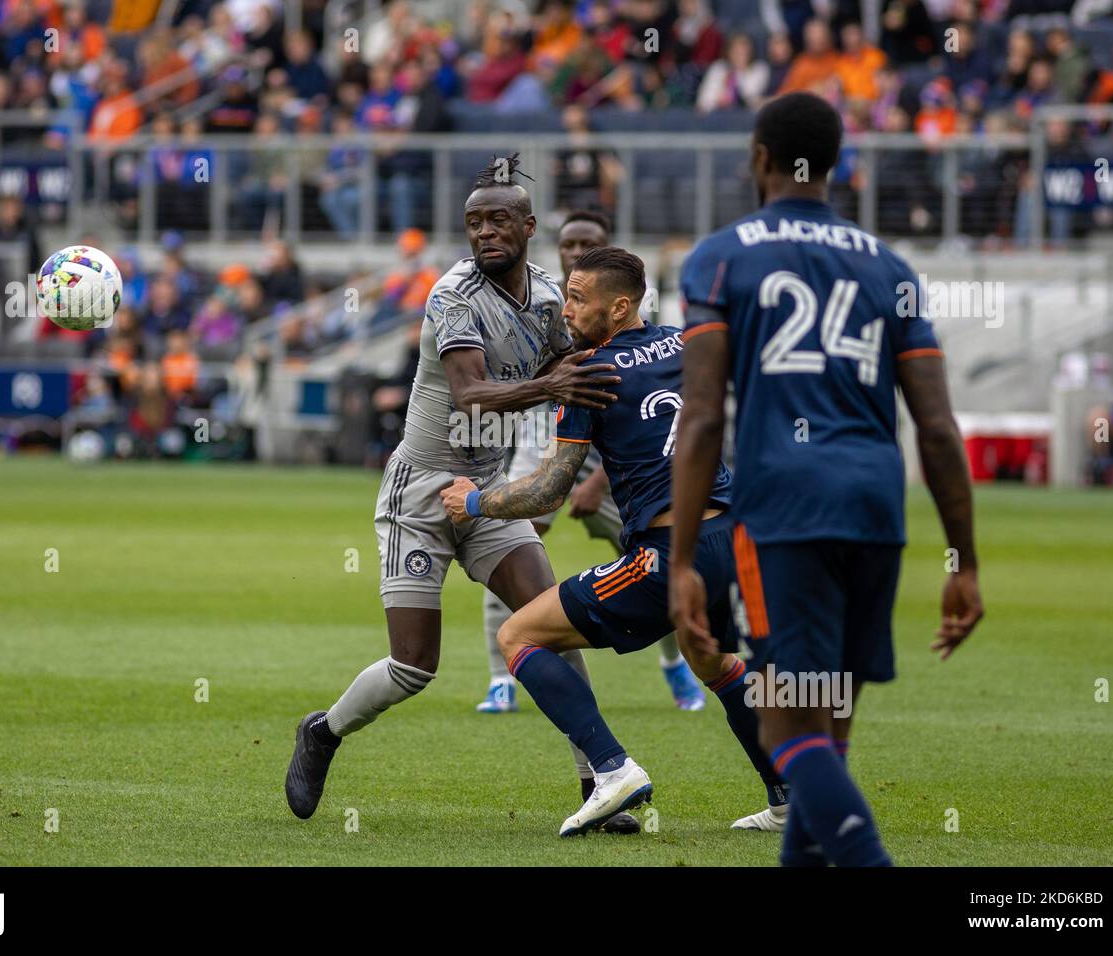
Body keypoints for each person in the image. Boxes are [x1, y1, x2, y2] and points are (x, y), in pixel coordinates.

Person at [669, 92, 984, 867]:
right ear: (837, 165)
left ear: (760, 159)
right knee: (829, 729)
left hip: (785, 509)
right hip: (876, 504)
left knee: (785, 729)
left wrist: (679, 560)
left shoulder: (720, 257)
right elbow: (938, 428)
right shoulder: (892, 267)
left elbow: (703, 417)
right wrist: (964, 560)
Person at [285, 156, 624, 825]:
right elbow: (471, 393)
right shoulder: (453, 296)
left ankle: (600, 782)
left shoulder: (552, 299)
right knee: (414, 668)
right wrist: (550, 386)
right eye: (474, 223)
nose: (485, 233)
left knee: (554, 627)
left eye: (499, 220)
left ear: (529, 227)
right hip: (421, 493)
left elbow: (564, 361)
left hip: (487, 490)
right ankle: (321, 732)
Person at [442, 246, 787, 837]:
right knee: (713, 658)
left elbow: (550, 490)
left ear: (620, 306)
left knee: (518, 634)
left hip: (666, 551)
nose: (567, 311)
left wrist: (474, 502)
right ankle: (789, 801)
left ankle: (611, 769)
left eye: (579, 299)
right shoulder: (684, 340)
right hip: (734, 537)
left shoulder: (590, 374)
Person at [476, 209, 708, 723]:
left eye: (588, 244)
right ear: (556, 249)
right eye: (569, 244)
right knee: (512, 548)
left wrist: (595, 481)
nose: (575, 253)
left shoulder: (612, 312)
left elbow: (649, 420)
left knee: (651, 560)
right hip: (549, 445)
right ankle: (499, 679)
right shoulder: (541, 304)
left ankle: (674, 667)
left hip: (613, 462)